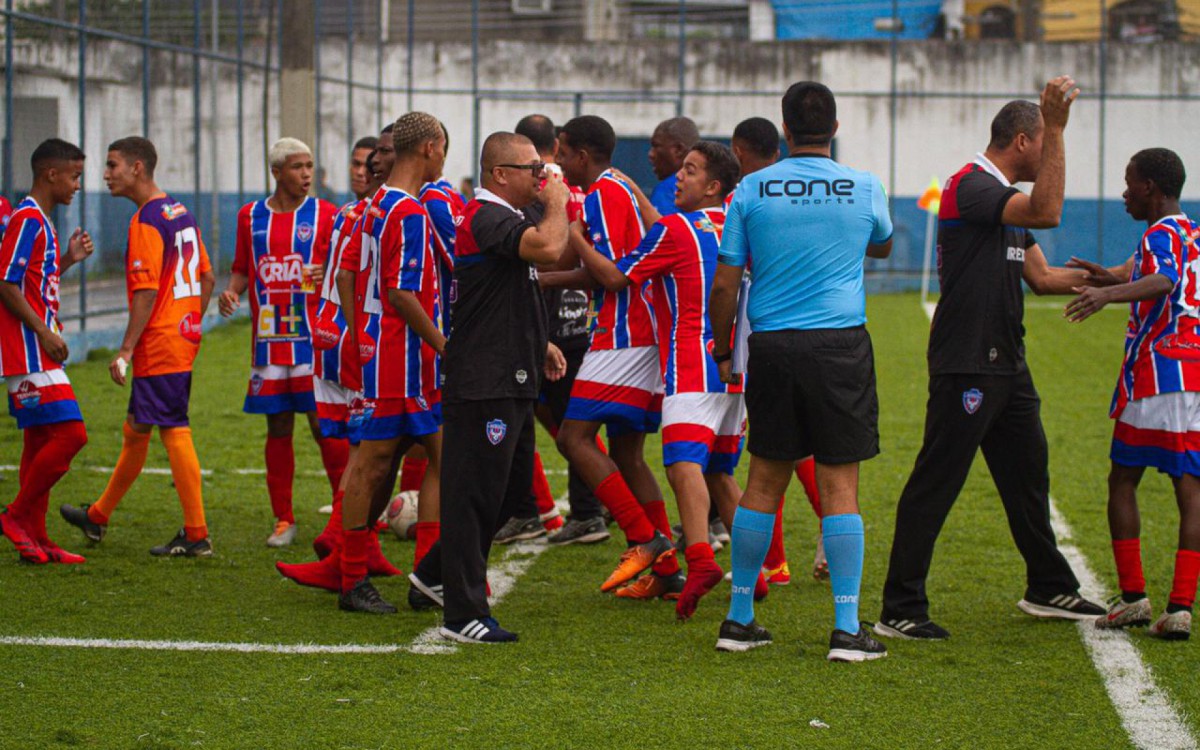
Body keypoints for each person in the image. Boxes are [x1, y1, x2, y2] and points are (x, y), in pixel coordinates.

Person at [877, 77, 1106, 641]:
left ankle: (1047, 586)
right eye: (1045, 141)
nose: (1050, 149)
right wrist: (1059, 127)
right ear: (1025, 141)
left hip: (1007, 364)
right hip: (968, 362)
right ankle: (900, 608)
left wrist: (1127, 279)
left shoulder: (1001, 201)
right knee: (938, 480)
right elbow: (1049, 211)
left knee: (1028, 475)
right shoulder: (974, 187)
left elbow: (1046, 277)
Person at [709, 82, 893, 661]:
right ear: (834, 128)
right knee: (840, 485)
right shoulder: (864, 185)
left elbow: (727, 279)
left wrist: (720, 347)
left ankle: (739, 618)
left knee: (764, 480)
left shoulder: (751, 189)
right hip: (839, 346)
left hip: (772, 347)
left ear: (784, 131)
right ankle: (845, 629)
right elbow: (882, 245)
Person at [546, 141, 746, 617]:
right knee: (719, 472)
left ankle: (684, 555)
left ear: (713, 185)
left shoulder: (677, 229)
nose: (679, 175)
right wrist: (639, 194)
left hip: (692, 363)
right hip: (736, 363)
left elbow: (616, 278)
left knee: (681, 465)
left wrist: (575, 237)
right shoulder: (738, 224)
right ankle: (754, 571)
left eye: (690, 171)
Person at [410, 131, 569, 643]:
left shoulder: (506, 219)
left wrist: (538, 344)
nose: (541, 178)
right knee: (475, 495)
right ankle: (463, 614)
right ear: (500, 174)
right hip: (487, 379)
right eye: (532, 169)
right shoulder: (488, 216)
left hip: (513, 373)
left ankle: (433, 573)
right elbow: (549, 248)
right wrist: (559, 202)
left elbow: (509, 291)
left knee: (511, 494)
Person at [1066, 148, 1199, 641]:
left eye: (1130, 183)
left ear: (1153, 188)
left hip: (1158, 376)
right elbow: (1167, 274)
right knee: (1190, 490)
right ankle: (1180, 607)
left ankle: (1132, 599)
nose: (1124, 193)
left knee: (1122, 480)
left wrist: (1105, 295)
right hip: (1193, 376)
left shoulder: (1160, 232)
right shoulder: (1192, 232)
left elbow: (1164, 280)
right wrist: (1113, 276)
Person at [59, 137, 215, 557]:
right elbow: (207, 278)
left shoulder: (147, 220)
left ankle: (197, 532)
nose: (106, 174)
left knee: (173, 428)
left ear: (138, 169)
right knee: (136, 429)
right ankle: (98, 516)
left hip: (160, 341)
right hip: (180, 335)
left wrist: (126, 349)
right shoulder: (179, 211)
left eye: (113, 165)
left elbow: (145, 292)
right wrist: (192, 322)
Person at [552, 115, 679, 592]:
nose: (558, 162)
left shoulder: (605, 193)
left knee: (574, 438)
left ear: (582, 155)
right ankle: (666, 572)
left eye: (562, 153)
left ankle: (644, 539)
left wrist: (574, 232)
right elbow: (583, 264)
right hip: (642, 332)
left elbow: (610, 275)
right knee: (628, 453)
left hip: (624, 333)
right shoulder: (612, 193)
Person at [332, 112, 448, 614]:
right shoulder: (409, 212)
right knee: (374, 463)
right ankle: (355, 579)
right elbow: (401, 291)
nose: (445, 158)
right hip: (405, 358)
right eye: (443, 147)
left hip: (388, 352)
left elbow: (346, 278)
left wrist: (362, 339)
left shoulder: (373, 205)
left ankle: (427, 576)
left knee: (440, 458)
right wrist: (445, 345)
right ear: (427, 148)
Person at [219, 138, 346, 548]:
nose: (307, 174)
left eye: (310, 165)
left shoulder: (326, 215)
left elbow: (340, 271)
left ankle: (346, 513)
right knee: (278, 425)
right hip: (270, 341)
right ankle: (283, 519)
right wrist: (232, 292)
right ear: (277, 172)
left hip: (312, 341)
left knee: (322, 424)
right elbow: (242, 268)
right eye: (298, 167)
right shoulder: (250, 216)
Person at [729, 115, 827, 585]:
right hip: (824, 333)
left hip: (765, 328)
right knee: (789, 443)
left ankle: (774, 561)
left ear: (743, 151)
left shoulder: (750, 194)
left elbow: (731, 272)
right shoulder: (808, 189)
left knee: (771, 448)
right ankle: (783, 555)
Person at [492, 112, 595, 545]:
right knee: (569, 423)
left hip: (543, 325)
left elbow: (547, 254)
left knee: (533, 421)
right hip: (577, 322)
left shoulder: (541, 193)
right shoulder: (583, 192)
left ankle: (537, 511)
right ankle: (582, 508)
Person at [0, 138, 92, 564]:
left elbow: (35, 281)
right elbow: (6, 284)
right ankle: (16, 516)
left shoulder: (41, 224)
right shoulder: (28, 220)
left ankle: (37, 537)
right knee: (72, 434)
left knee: (39, 445)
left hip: (38, 349)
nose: (78, 185)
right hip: (28, 351)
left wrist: (68, 259)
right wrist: (44, 332)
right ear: (50, 174)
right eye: (74, 176)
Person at [648, 117, 699, 217]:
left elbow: (665, 231)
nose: (651, 154)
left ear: (678, 150)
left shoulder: (669, 190)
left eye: (656, 146)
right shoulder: (715, 188)